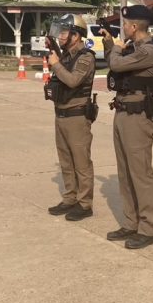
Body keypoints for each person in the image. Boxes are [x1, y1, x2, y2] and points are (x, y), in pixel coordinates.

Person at [102, 6, 153, 250]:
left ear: (135, 26)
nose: (123, 28)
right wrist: (110, 44)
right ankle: (130, 222)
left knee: (140, 172)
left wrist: (116, 48)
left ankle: (147, 228)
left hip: (138, 115)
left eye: (126, 24)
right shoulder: (134, 48)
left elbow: (116, 65)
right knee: (125, 171)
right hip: (123, 110)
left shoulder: (148, 50)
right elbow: (116, 64)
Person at [45, 13, 97, 222]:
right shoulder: (65, 55)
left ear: (76, 36)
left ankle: (84, 204)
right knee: (65, 161)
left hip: (77, 116)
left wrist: (56, 64)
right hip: (61, 114)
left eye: (64, 32)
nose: (60, 36)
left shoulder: (85, 57)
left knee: (81, 163)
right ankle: (70, 198)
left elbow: (73, 80)